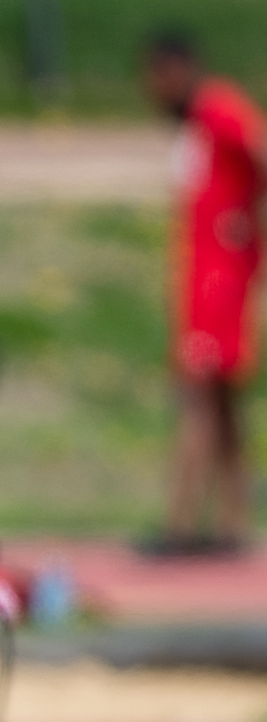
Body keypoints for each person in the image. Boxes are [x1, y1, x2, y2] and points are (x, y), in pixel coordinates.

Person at [142, 32, 264, 555]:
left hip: (219, 279)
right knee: (221, 402)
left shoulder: (218, 108)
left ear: (177, 69)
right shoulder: (197, 124)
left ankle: (182, 522)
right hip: (205, 275)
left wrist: (248, 221)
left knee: (197, 397)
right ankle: (232, 520)